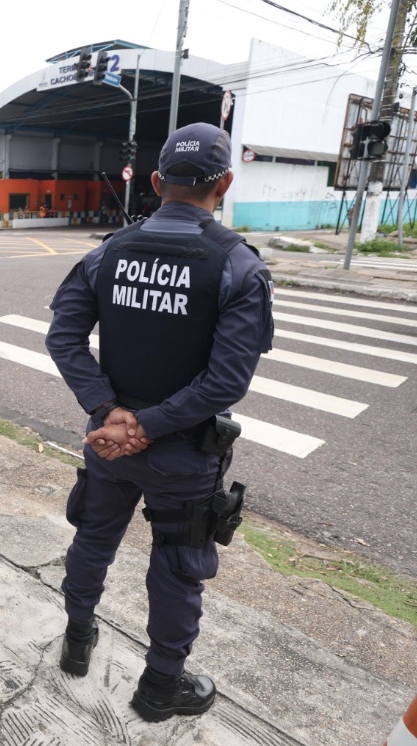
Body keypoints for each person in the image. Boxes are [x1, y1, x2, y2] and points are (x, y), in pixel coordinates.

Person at [45, 122, 274, 722]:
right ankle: (158, 690)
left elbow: (64, 336)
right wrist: (149, 427)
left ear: (155, 181)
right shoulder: (236, 265)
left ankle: (76, 643)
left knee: (93, 539)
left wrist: (108, 410)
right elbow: (226, 382)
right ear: (224, 183)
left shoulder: (107, 252)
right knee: (177, 567)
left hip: (108, 441)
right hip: (181, 453)